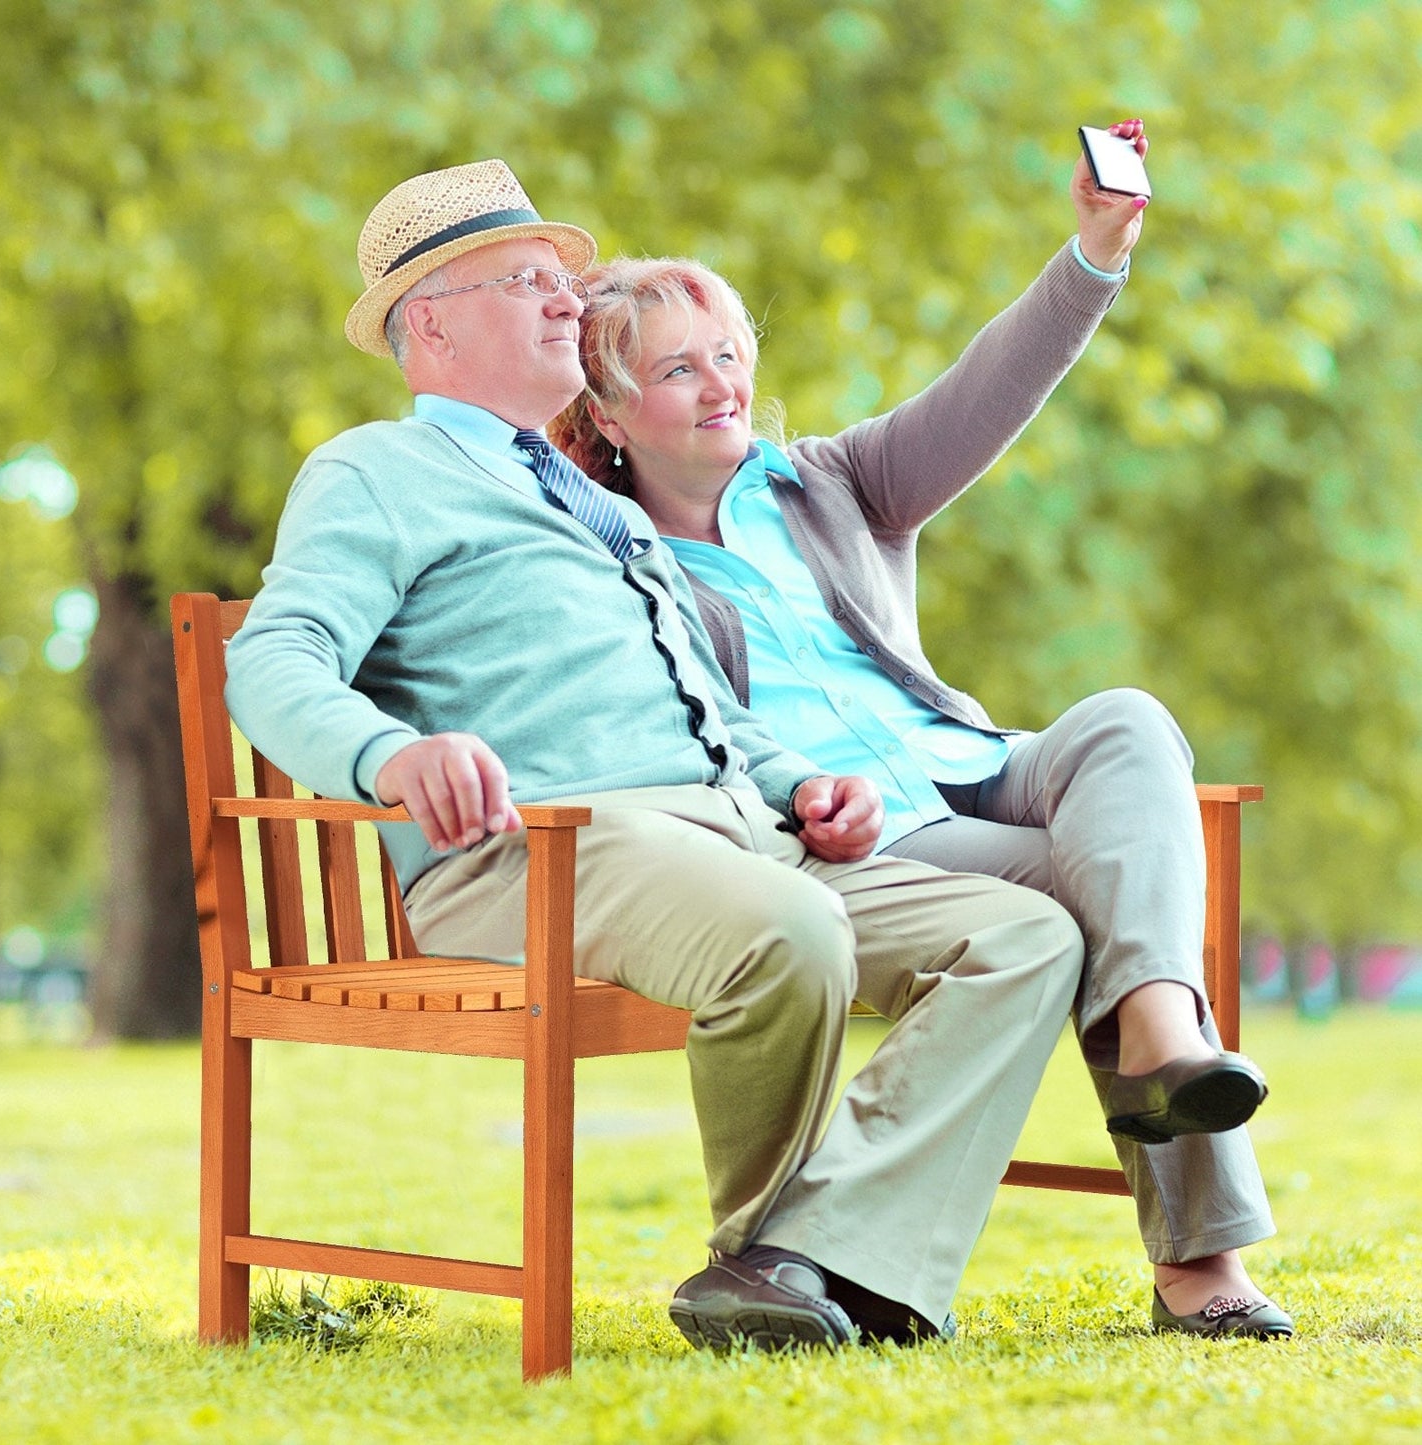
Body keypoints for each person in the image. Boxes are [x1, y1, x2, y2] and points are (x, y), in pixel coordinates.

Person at [224, 158, 1090, 1354]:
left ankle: (809, 1257)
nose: (564, 301)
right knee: (791, 932)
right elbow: (271, 655)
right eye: (526, 280)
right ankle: (769, 1258)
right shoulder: (377, 472)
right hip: (540, 848)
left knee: (1022, 934)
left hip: (729, 830)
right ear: (428, 322)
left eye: (564, 280)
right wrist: (385, 754)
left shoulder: (607, 507)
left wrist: (799, 785)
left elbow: (708, 712)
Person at [552, 121, 1294, 1339]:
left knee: (1125, 720)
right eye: (682, 368)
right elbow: (686, 728)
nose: (724, 382)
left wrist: (1094, 252)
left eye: (730, 353)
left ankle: (1157, 1013)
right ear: (612, 411)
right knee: (1099, 894)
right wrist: (797, 795)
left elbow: (987, 389)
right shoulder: (607, 557)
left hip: (975, 766)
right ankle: (1202, 1270)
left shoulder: (831, 482)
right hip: (865, 840)